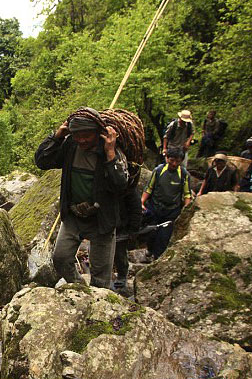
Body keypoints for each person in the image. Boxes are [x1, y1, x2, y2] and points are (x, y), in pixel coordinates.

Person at [35, 107, 130, 288]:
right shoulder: (70, 145)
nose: (82, 140)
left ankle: (98, 305)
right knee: (60, 259)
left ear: (97, 132)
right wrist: (57, 137)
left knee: (101, 276)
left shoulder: (110, 150)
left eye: (87, 135)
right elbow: (42, 161)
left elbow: (121, 184)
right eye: (77, 135)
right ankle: (80, 288)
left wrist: (110, 154)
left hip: (102, 221)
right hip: (73, 216)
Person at [141, 146, 192, 259]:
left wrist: (186, 210)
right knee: (151, 233)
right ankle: (149, 251)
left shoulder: (184, 174)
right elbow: (149, 188)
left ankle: (156, 259)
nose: (174, 163)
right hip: (155, 207)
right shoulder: (158, 171)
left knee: (163, 237)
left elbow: (187, 193)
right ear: (167, 158)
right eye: (172, 160)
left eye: (177, 161)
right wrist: (142, 202)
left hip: (172, 211)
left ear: (181, 161)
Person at [112, 166, 143, 295]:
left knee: (120, 253)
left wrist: (133, 230)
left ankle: (122, 275)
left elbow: (136, 209)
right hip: (107, 225)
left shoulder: (129, 189)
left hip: (122, 227)